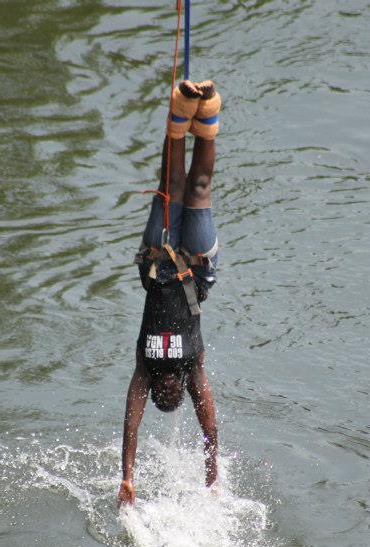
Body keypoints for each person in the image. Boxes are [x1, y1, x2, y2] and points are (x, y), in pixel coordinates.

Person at [118, 79, 222, 507]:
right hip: (196, 266)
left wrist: (127, 475)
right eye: (167, 393)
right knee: (197, 189)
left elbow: (131, 422)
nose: (160, 389)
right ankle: (209, 112)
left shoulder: (144, 366)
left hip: (159, 260)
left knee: (170, 186)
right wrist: (213, 480)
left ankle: (182, 108)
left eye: (156, 393)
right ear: (178, 386)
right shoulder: (191, 367)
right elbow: (209, 429)